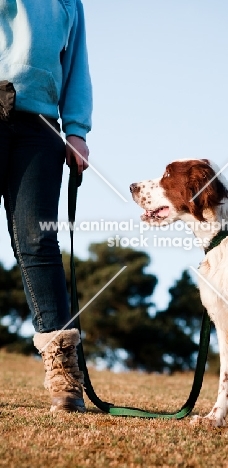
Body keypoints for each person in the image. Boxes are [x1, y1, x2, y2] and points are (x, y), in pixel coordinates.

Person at [0, 0, 92, 413]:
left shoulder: (69, 3)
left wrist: (76, 130)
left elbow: (76, 65)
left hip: (40, 127)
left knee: (38, 243)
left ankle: (64, 375)